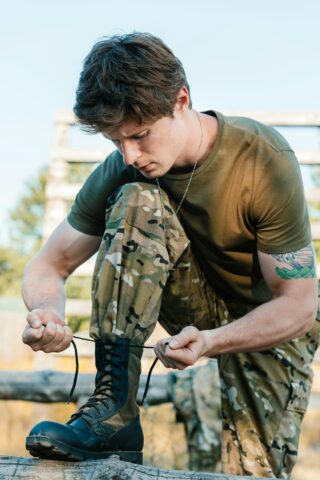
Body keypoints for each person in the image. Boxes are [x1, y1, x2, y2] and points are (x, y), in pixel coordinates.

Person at [22, 32, 319, 477]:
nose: (130, 153)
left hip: (270, 322)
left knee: (253, 473)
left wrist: (213, 342)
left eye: (140, 135)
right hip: (193, 305)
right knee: (135, 199)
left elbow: (298, 304)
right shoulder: (125, 166)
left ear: (181, 100)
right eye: (115, 140)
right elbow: (50, 263)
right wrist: (47, 313)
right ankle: (115, 415)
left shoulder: (263, 158)